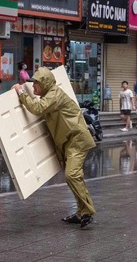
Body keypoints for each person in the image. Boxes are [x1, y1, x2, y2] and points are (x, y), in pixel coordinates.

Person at [12, 67, 96, 228]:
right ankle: (81, 212)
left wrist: (20, 92)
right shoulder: (49, 95)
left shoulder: (54, 95)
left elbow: (37, 109)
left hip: (77, 140)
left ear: (45, 83)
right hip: (69, 141)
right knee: (73, 177)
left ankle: (87, 212)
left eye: (36, 83)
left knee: (72, 175)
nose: (33, 87)